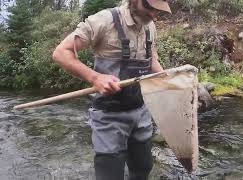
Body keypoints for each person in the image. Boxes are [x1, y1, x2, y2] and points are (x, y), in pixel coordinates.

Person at [52, 0, 171, 179]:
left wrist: (170, 82)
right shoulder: (104, 21)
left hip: (141, 112)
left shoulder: (150, 26)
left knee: (143, 169)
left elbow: (152, 59)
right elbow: (61, 53)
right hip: (109, 117)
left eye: (158, 10)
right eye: (149, 7)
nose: (153, 14)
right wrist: (95, 78)